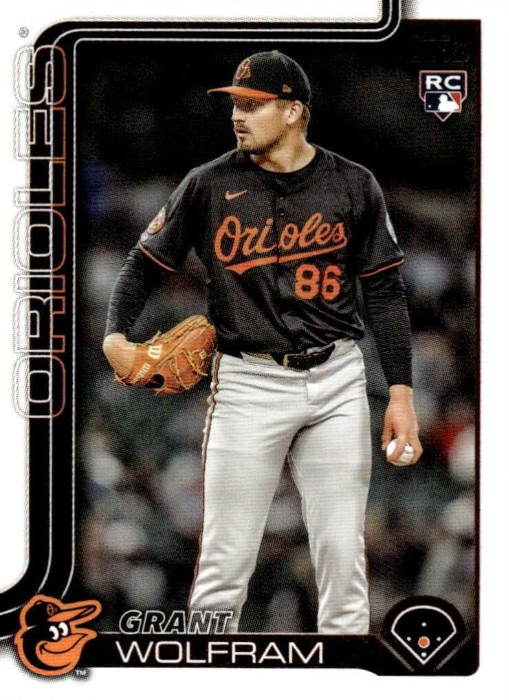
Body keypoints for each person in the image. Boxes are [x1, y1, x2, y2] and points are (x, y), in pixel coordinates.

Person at [103, 50, 422, 634]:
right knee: (224, 562)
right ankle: (206, 671)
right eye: (235, 105)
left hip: (337, 377)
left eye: (253, 105)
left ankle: (345, 677)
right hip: (248, 381)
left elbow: (384, 291)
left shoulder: (353, 184)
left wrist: (400, 393)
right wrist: (114, 335)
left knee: (342, 557)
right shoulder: (208, 183)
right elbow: (142, 265)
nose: (238, 115)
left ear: (294, 111)